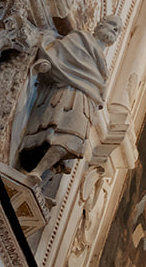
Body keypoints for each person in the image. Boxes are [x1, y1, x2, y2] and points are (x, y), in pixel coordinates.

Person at [21, 17, 118, 178]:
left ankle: (41, 171)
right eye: (112, 25)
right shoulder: (79, 39)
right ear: (99, 25)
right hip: (67, 92)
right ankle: (37, 170)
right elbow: (57, 54)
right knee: (56, 133)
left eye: (118, 30)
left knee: (73, 140)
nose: (114, 31)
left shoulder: (103, 70)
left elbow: (100, 91)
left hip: (85, 102)